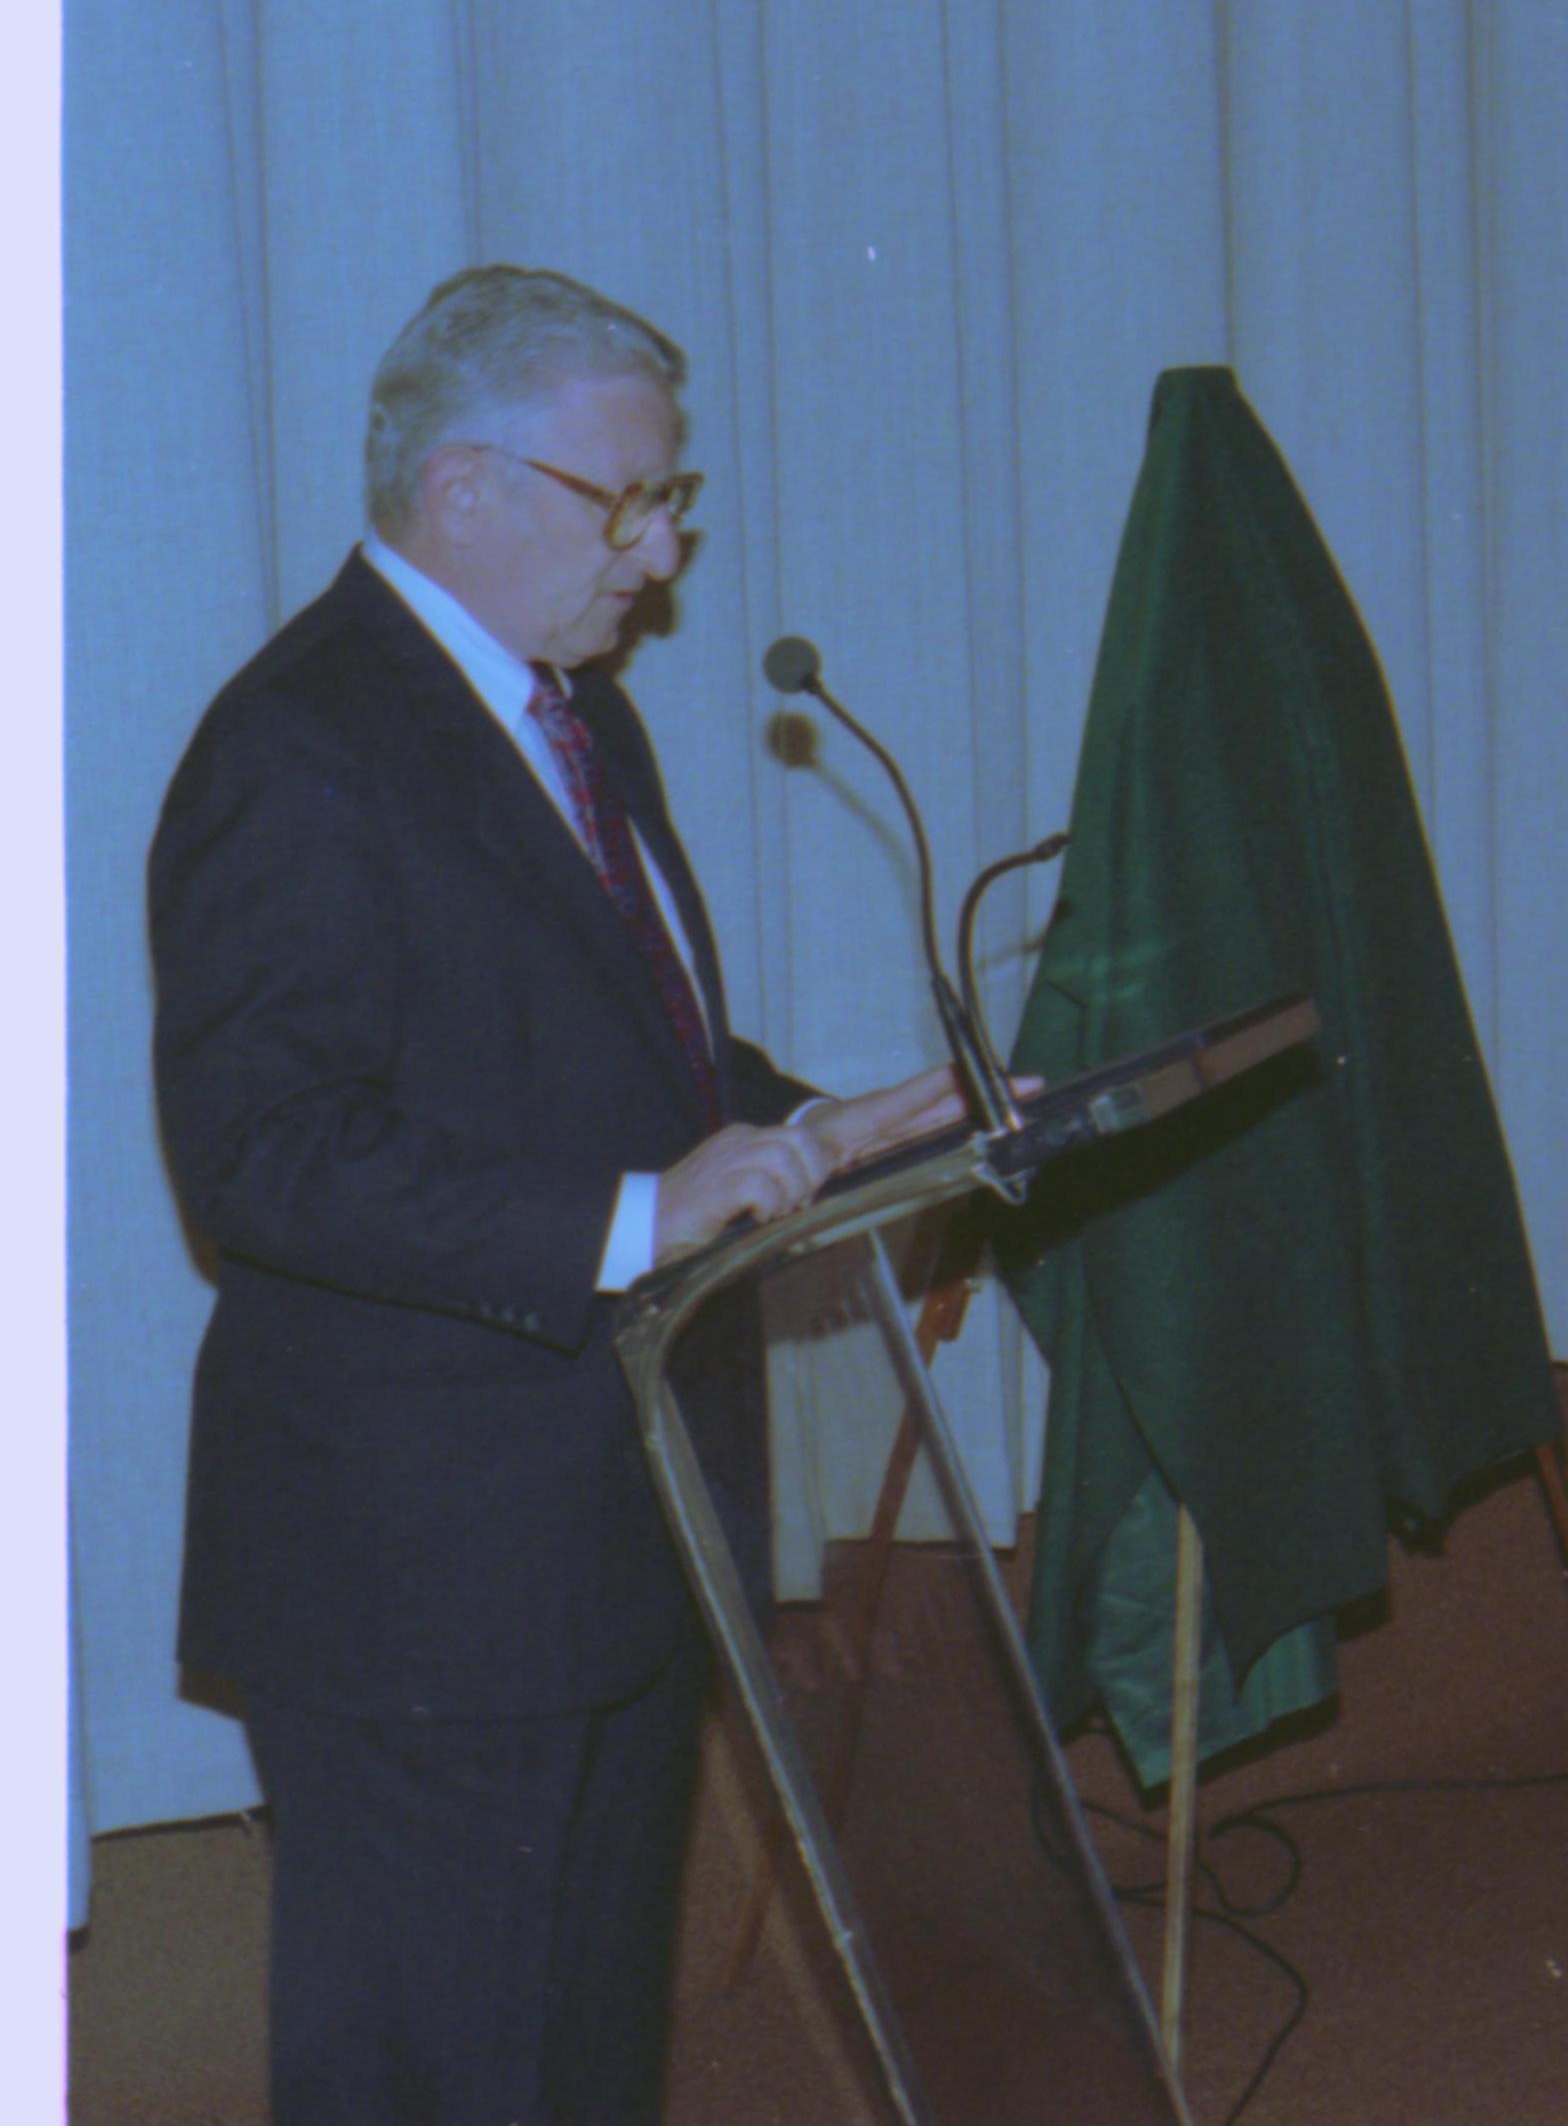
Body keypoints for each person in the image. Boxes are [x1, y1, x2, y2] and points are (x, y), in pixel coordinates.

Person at [150, 265, 972, 2125]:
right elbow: (262, 1151)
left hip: (613, 1517)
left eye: (675, 500)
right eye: (633, 501)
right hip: (424, 1569)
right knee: (435, 2075)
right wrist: (637, 1218)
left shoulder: (573, 717)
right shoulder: (302, 744)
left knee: (583, 2055)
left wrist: (826, 1125)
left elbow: (633, 1070)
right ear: (464, 488)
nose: (666, 550)